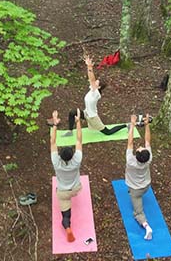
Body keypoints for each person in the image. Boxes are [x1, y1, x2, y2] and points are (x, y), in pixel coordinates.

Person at [62, 54, 126, 136]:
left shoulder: (96, 93)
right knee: (72, 112)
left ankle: (125, 126)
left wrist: (89, 67)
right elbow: (91, 80)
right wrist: (89, 67)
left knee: (108, 132)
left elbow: (91, 79)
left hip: (92, 118)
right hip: (86, 114)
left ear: (98, 87)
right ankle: (70, 131)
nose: (94, 82)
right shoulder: (92, 90)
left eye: (96, 82)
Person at [50, 109, 83, 242]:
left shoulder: (56, 162)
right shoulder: (77, 160)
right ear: (72, 154)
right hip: (75, 189)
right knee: (72, 193)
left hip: (63, 192)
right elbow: (79, 140)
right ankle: (68, 229)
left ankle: (67, 227)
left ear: (60, 155)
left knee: (65, 216)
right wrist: (78, 122)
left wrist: (55, 123)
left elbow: (52, 142)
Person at [125, 114, 153, 240]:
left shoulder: (131, 161)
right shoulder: (149, 158)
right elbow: (147, 141)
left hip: (136, 191)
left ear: (136, 155)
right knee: (134, 191)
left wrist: (132, 124)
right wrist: (147, 125)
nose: (141, 146)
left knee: (138, 212)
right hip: (146, 186)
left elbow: (130, 142)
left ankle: (147, 227)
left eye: (140, 148)